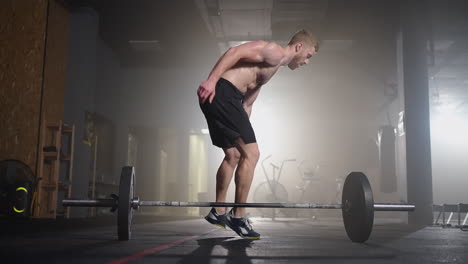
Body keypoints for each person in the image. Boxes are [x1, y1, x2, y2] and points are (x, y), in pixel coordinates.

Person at [197, 29, 319, 239]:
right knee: (252, 155)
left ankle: (218, 211)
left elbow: (248, 102)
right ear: (299, 47)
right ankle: (238, 216)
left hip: (224, 100)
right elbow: (233, 52)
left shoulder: (275, 66)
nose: (306, 62)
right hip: (222, 92)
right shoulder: (274, 51)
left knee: (234, 155)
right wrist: (211, 81)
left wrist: (244, 127)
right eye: (308, 56)